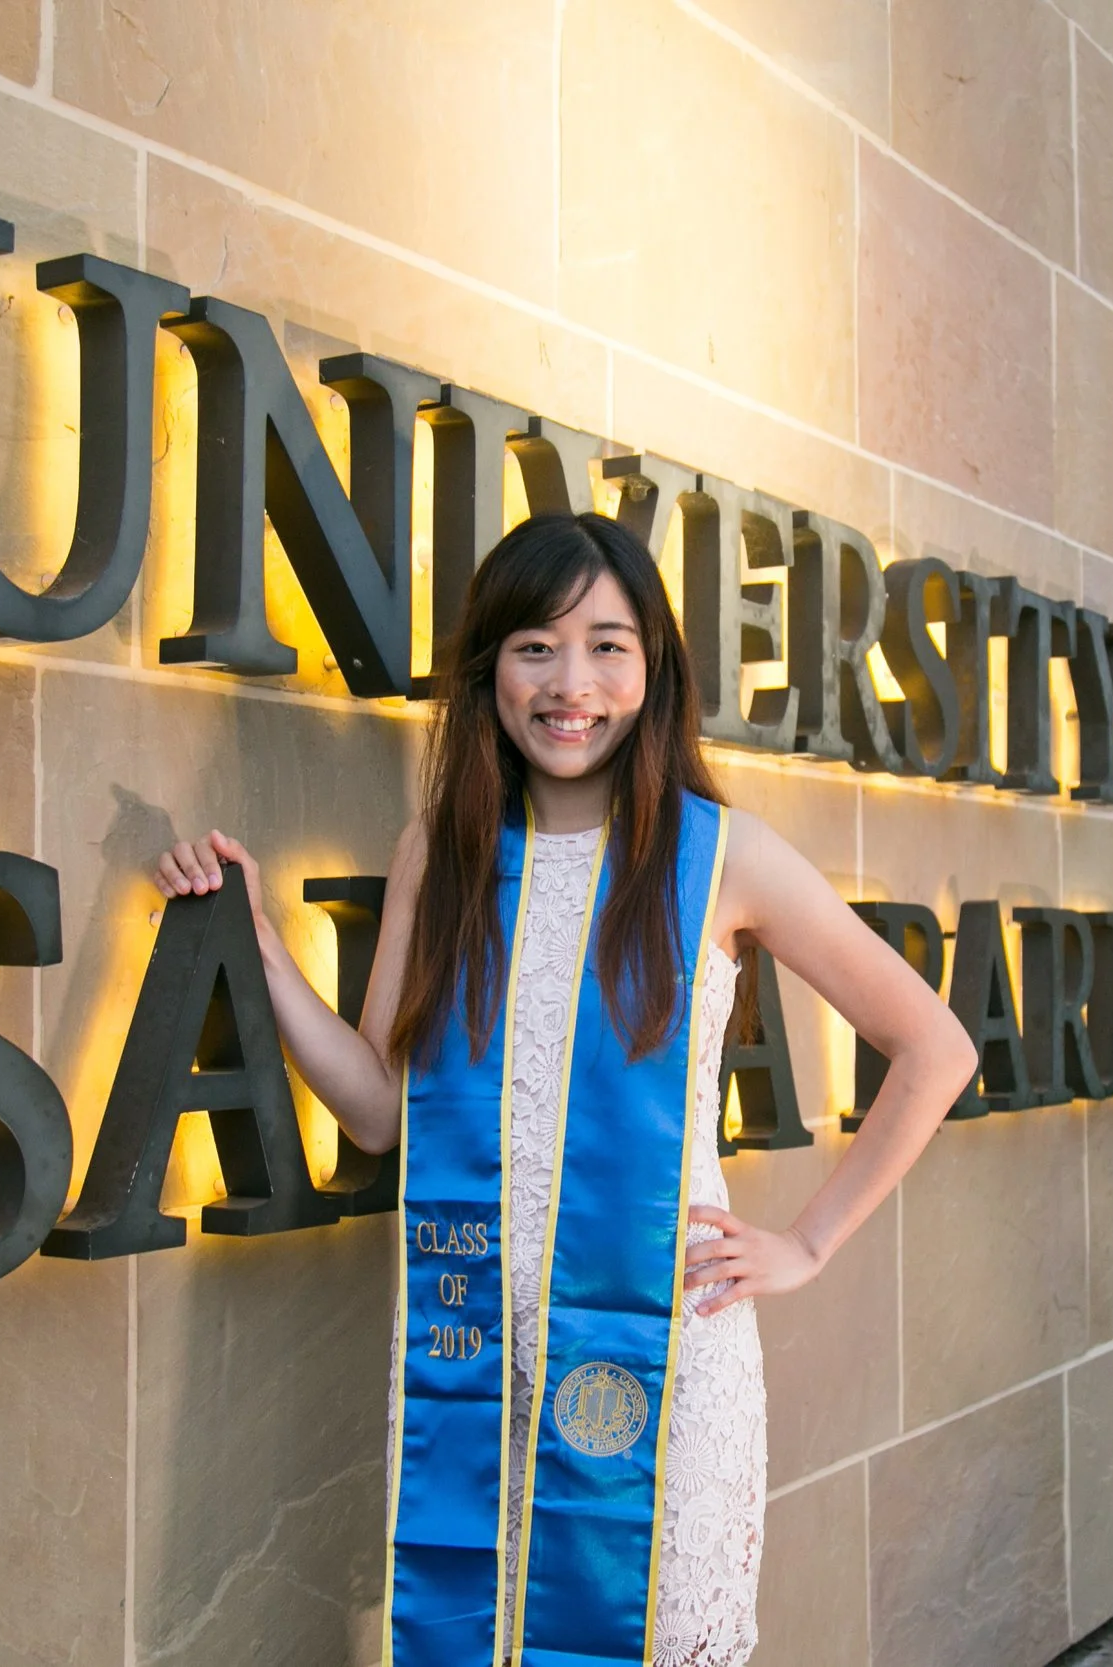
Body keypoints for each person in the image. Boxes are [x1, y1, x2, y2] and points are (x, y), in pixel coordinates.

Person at [151, 510, 977, 1667]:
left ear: (653, 666)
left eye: (606, 645)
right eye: (534, 647)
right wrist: (260, 947)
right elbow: (381, 1109)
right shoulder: (442, 851)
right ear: (489, 670)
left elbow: (934, 1045)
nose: (570, 684)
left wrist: (807, 1241)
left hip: (662, 1353)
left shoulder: (719, 855)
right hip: (475, 1357)